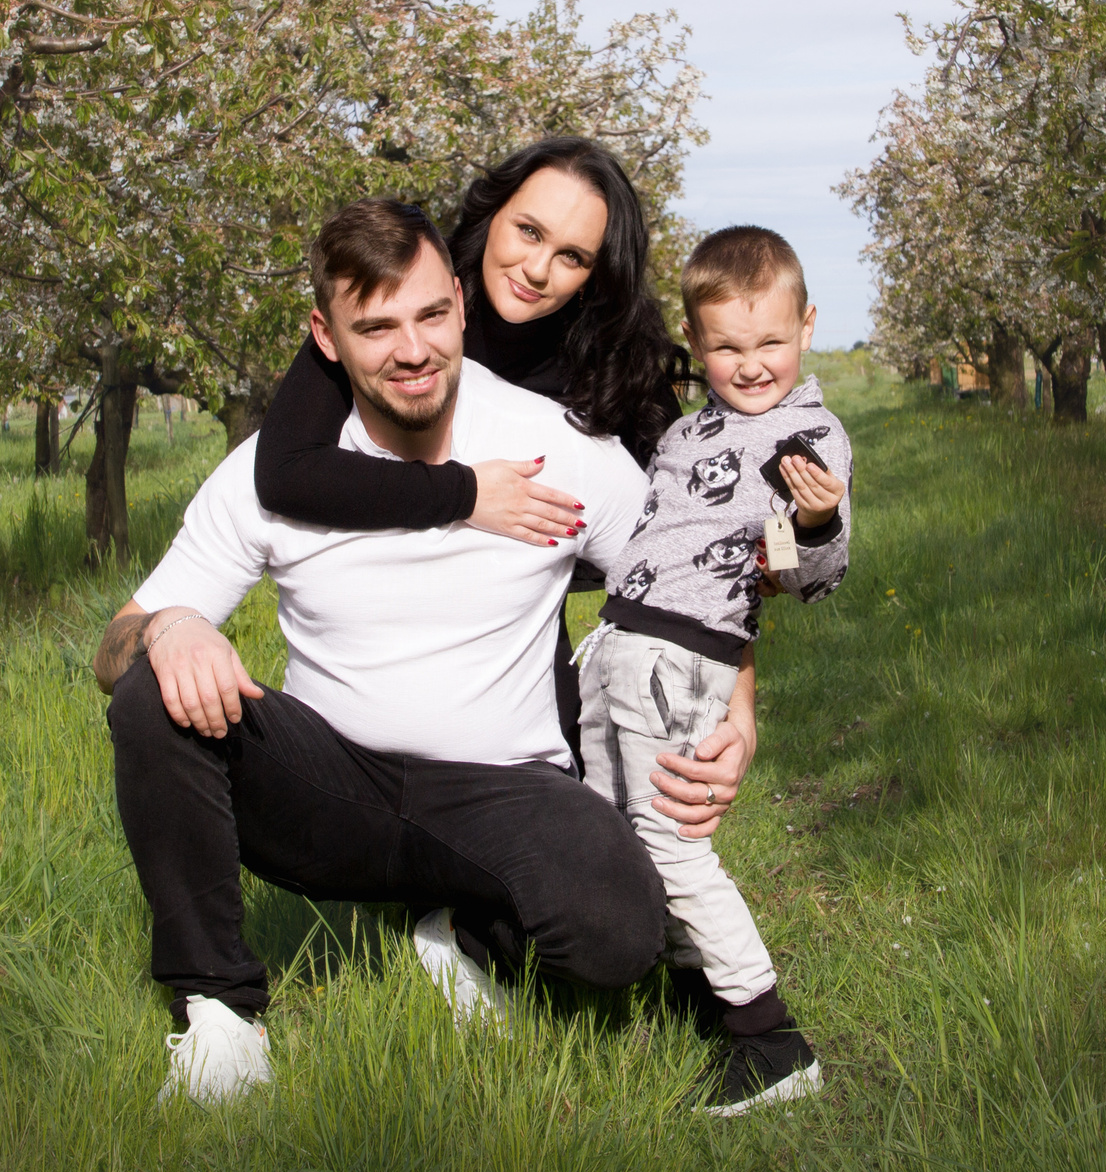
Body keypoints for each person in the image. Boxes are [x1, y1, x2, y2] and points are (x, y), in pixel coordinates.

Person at [94, 199, 667, 1105]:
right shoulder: (271, 472)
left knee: (623, 934)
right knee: (147, 693)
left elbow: (681, 584)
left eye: (432, 315)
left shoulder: (556, 446)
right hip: (334, 790)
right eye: (377, 327)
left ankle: (466, 934)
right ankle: (220, 1017)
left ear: (462, 307)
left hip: (503, 786)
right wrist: (170, 626)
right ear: (325, 335)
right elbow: (115, 641)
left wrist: (737, 702)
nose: (413, 350)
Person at [250, 135, 750, 827]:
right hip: (377, 585)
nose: (538, 268)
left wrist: (740, 713)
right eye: (529, 231)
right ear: (493, 214)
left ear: (597, 273)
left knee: (586, 804)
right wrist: (469, 495)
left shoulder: (617, 368)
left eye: (572, 256)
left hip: (525, 601)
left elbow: (690, 554)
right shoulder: (408, 298)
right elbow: (284, 473)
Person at [574, 225, 852, 1116]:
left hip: (682, 654)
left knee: (671, 837)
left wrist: (815, 525)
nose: (752, 362)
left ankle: (769, 1036)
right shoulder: (692, 430)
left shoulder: (804, 436)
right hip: (620, 639)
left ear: (806, 327)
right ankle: (695, 988)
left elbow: (809, 577)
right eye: (728, 346)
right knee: (612, 823)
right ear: (697, 343)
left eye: (770, 341)